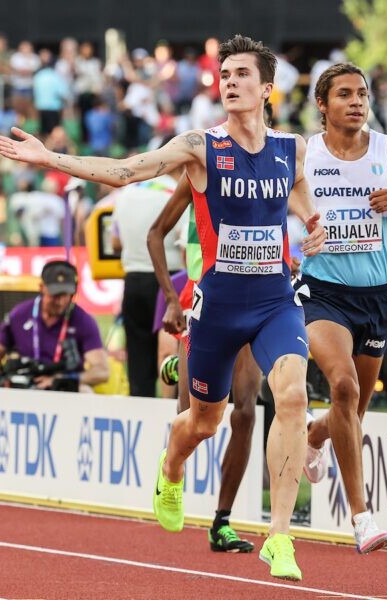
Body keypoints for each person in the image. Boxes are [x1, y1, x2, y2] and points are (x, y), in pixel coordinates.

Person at [0, 34, 326, 582]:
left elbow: (301, 191)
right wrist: (50, 158)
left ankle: (280, 537)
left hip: (273, 301)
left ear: (267, 88)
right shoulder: (199, 146)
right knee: (203, 422)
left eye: (242, 74)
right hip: (217, 308)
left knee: (291, 397)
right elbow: (125, 170)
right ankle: (171, 465)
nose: (230, 82)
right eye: (225, 74)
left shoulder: (293, 149)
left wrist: (314, 221)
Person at [296, 63, 387, 553]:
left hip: (376, 297)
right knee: (343, 385)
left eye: (362, 94)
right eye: (344, 94)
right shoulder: (305, 152)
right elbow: (275, 207)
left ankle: (315, 434)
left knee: (351, 412)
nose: (356, 102)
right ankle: (362, 517)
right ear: (323, 104)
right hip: (322, 291)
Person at [148, 174, 259, 554]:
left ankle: (222, 521)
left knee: (246, 411)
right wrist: (172, 300)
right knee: (193, 420)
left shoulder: (270, 166)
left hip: (252, 297)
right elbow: (164, 238)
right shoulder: (203, 167)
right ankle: (171, 467)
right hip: (202, 297)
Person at [0, 260, 110, 392]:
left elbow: (102, 371)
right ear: (42, 288)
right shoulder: (19, 315)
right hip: (25, 385)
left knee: (85, 390)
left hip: (63, 387)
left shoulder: (83, 321)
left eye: (65, 295)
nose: (60, 302)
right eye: (55, 295)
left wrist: (64, 379)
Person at [111, 172, 185, 398]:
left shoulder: (125, 194)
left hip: (134, 280)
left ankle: (140, 410)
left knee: (138, 360)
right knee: (172, 357)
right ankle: (171, 410)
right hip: (171, 280)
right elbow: (185, 243)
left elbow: (115, 242)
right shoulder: (177, 192)